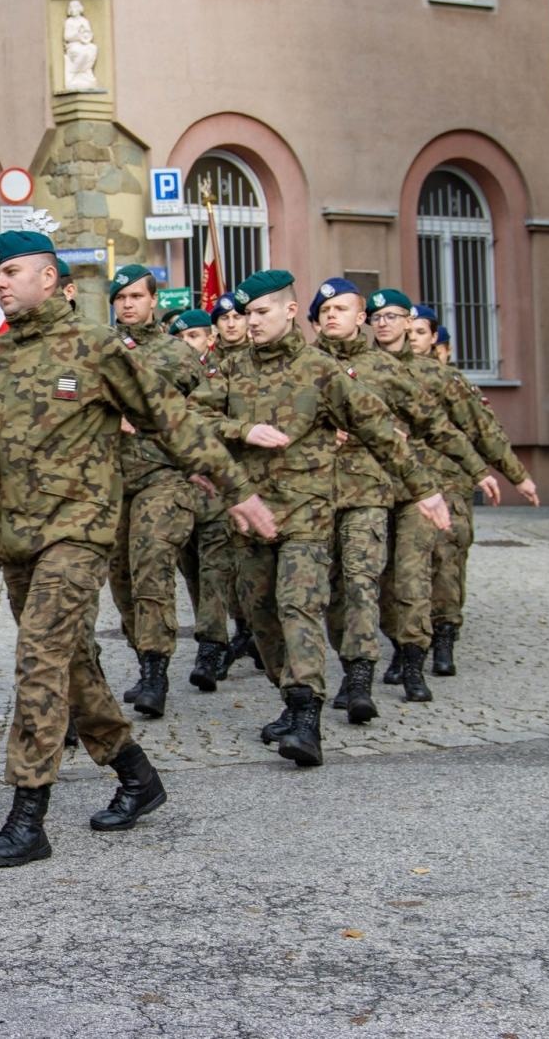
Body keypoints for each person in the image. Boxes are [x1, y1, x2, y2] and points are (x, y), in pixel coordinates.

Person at [0, 232, 276, 868]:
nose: (2, 284)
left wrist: (234, 487)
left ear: (50, 278)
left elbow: (169, 417)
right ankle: (136, 775)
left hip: (81, 529)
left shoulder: (96, 349)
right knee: (72, 664)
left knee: (38, 657)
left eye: (13, 272)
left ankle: (27, 815)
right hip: (18, 538)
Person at [189, 271, 449, 768]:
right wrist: (243, 430)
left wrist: (425, 490)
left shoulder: (320, 370)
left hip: (307, 512)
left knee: (299, 604)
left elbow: (379, 430)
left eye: (261, 312)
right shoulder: (228, 369)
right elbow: (190, 420)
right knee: (261, 613)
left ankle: (308, 717)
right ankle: (290, 698)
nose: (251, 322)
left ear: (289, 312)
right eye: (246, 314)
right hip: (249, 513)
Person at [308, 280, 490, 720]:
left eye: (342, 308)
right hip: (322, 494)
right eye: (325, 309)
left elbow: (451, 427)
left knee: (393, 579)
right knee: (337, 592)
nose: (333, 316)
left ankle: (402, 663)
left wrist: (487, 470)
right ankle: (362, 659)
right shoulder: (307, 365)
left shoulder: (398, 371)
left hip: (400, 489)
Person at [408, 303, 539, 675]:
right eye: (409, 331)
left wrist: (514, 474)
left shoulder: (453, 382)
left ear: (435, 340)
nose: (413, 338)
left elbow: (485, 430)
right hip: (404, 485)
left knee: (447, 560)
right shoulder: (385, 374)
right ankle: (410, 644)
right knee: (407, 568)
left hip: (449, 480)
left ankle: (445, 635)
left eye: (420, 332)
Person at [104, 266, 208, 719]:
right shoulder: (101, 351)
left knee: (151, 567)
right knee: (121, 579)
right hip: (112, 483)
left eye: (136, 296)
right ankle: (142, 653)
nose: (128, 305)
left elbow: (205, 409)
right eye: (120, 297)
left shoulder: (177, 355)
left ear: (153, 301)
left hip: (164, 477)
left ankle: (155, 671)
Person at [166, 309, 232, 690]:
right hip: (177, 490)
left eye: (194, 336)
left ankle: (210, 646)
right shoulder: (162, 379)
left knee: (215, 570)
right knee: (190, 569)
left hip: (216, 488)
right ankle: (214, 632)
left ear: (209, 339)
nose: (188, 344)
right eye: (180, 337)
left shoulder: (222, 376)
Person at [207, 292, 263, 680]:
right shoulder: (206, 367)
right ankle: (227, 638)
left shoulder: (262, 361)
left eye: (238, 316)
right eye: (223, 317)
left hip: (260, 481)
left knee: (257, 570)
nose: (231, 323)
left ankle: (256, 635)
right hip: (213, 480)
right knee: (220, 566)